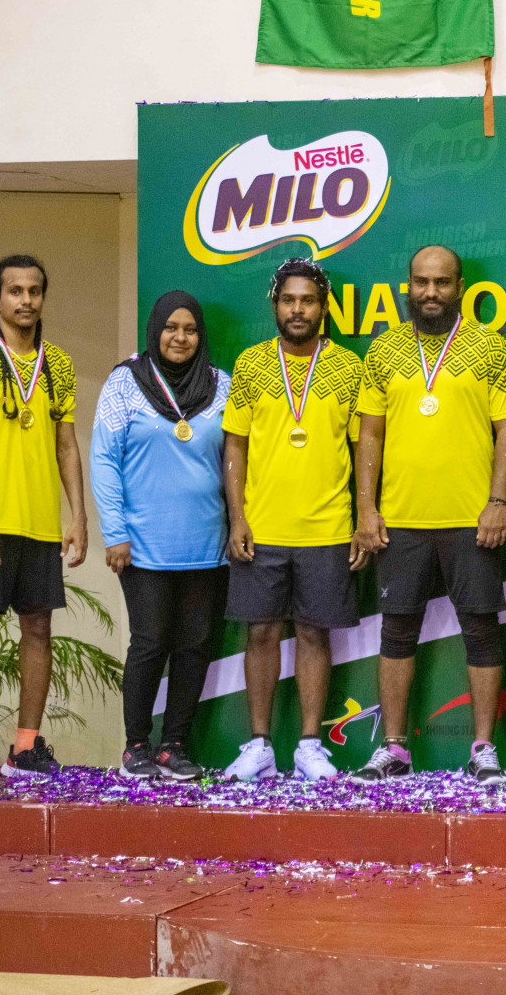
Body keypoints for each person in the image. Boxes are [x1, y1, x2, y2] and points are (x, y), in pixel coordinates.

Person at [351, 246, 506, 786]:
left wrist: (498, 502)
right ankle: (395, 749)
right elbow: (370, 433)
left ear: (460, 286)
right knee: (396, 633)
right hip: (399, 519)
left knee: (481, 632)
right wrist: (366, 507)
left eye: (442, 283)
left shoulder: (489, 347)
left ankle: (482, 749)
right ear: (407, 285)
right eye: (421, 283)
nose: (431, 293)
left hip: (472, 519)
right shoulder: (383, 351)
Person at [220, 258, 366, 783]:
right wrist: (237, 518)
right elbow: (234, 443)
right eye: (288, 300)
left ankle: (308, 745)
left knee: (313, 634)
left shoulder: (349, 367)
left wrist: (363, 517)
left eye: (308, 300)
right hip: (261, 528)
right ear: (275, 305)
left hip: (327, 528)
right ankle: (258, 744)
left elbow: (363, 445)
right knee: (259, 633)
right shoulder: (252, 364)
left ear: (324, 306)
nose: (297, 309)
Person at [0, 255, 86, 784]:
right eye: (15, 291)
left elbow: (66, 445)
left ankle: (25, 747)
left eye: (34, 291)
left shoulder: (60, 364)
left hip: (39, 524)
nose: (26, 300)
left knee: (38, 630)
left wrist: (78, 516)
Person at [92, 290, 228, 781]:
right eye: (171, 327)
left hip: (207, 547)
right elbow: (103, 460)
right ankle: (136, 747)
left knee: (195, 645)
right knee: (150, 642)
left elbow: (235, 464)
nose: (180, 337)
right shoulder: (125, 384)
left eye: (190, 329)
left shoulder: (222, 386)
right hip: (143, 546)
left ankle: (173, 745)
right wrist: (114, 532)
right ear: (155, 331)